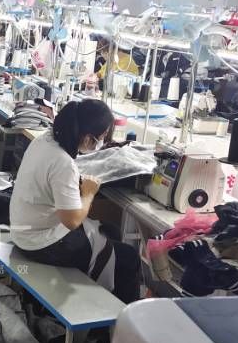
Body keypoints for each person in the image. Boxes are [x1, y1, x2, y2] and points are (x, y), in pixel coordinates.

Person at [9, 99, 141, 303]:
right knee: (129, 258)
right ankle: (118, 317)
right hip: (40, 244)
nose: (100, 143)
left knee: (111, 231)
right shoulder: (63, 162)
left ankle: (103, 299)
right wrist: (88, 193)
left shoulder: (44, 140)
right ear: (87, 138)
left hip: (23, 229)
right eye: (100, 138)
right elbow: (71, 221)